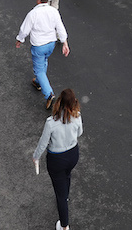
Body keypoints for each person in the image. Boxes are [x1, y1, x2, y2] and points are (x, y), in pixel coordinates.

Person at [34, 88, 83, 230]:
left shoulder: (51, 123)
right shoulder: (77, 116)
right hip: (73, 154)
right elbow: (80, 133)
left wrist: (36, 156)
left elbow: (43, 143)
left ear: (60, 102)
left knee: (60, 195)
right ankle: (65, 195)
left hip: (56, 159)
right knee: (67, 175)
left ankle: (64, 226)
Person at [16, 0, 70, 108]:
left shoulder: (33, 13)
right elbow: (60, 27)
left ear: (38, 0)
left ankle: (49, 94)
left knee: (39, 70)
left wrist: (20, 40)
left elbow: (24, 30)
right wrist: (64, 43)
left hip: (39, 46)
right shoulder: (54, 11)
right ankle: (39, 82)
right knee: (44, 61)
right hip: (51, 44)